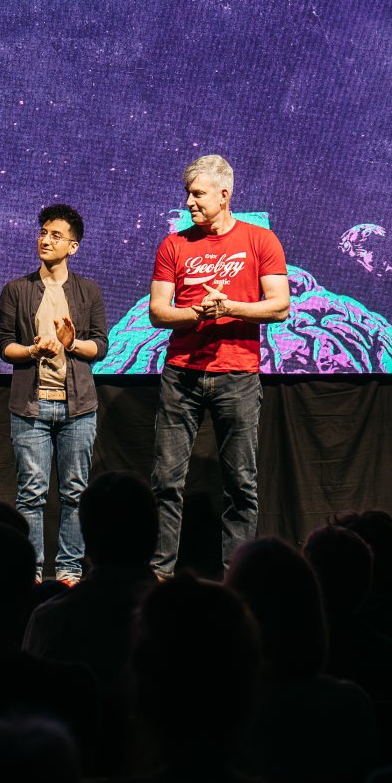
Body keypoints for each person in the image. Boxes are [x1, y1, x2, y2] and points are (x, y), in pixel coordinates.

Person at [147, 154, 289, 577]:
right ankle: (160, 574)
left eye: (198, 194)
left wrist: (228, 307)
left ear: (224, 195)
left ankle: (237, 576)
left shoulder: (261, 240)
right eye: (187, 194)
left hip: (238, 374)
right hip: (182, 374)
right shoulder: (174, 244)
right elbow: (158, 312)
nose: (189, 202)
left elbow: (280, 306)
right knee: (166, 480)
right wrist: (197, 314)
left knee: (241, 483)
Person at [0, 203, 106, 585]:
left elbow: (100, 346)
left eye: (56, 235)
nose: (45, 239)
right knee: (31, 494)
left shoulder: (88, 291)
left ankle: (69, 571)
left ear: (73, 246)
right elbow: (4, 346)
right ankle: (31, 572)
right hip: (31, 407)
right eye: (43, 232)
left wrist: (71, 343)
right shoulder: (17, 289)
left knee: (75, 493)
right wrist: (32, 350)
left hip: (78, 408)